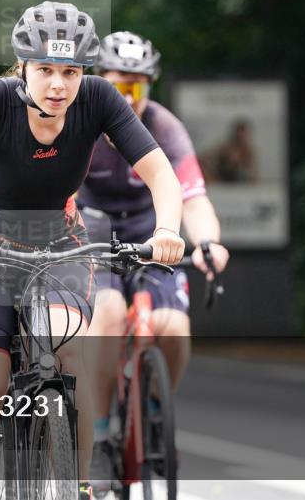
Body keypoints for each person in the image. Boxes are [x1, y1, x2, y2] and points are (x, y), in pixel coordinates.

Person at [0, 1, 187, 500]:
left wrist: (168, 229)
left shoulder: (98, 99)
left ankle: (81, 487)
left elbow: (160, 173)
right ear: (23, 66)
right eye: (46, 70)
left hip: (58, 245)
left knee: (70, 355)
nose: (57, 85)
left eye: (70, 72)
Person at [77, 31, 230, 493]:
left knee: (171, 326)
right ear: (99, 83)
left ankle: (157, 411)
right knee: (105, 315)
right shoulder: (79, 124)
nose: (127, 99)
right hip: (92, 227)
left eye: (137, 89)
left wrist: (208, 243)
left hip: (151, 229)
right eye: (118, 88)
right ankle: (101, 437)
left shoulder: (164, 128)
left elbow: (194, 196)